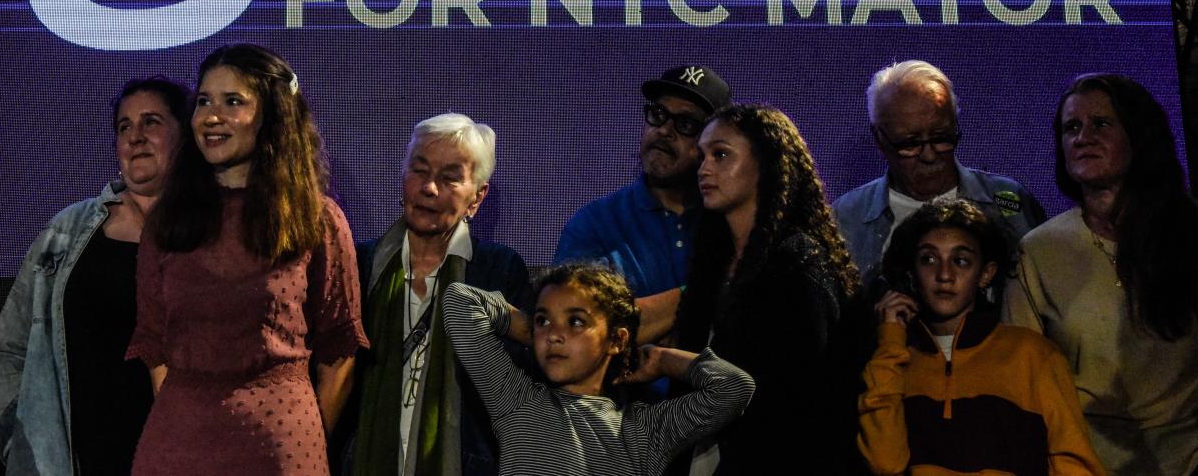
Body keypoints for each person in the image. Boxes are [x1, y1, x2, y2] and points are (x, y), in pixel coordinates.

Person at [127, 44, 368, 475]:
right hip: (176, 443)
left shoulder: (317, 219)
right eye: (204, 101)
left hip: (280, 442)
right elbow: (156, 344)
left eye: (233, 101)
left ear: (271, 116)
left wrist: (304, 437)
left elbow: (338, 354)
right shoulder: (168, 221)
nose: (211, 116)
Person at [0, 76, 190, 476]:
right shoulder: (67, 230)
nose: (135, 137)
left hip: (177, 453)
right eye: (124, 127)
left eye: (151, 122)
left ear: (184, 136)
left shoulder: (211, 234)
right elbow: (9, 348)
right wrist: (20, 438)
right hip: (69, 460)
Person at [1005, 74, 1198, 475]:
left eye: (1101, 124)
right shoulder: (1039, 250)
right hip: (1080, 463)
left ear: (1138, 135)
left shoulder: (1195, 230)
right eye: (1071, 128)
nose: (1083, 137)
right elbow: (1020, 376)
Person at [673, 103, 866, 474]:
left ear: (766, 163)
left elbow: (800, 400)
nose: (704, 168)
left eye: (721, 154)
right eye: (702, 156)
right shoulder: (713, 265)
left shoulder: (797, 264)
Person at [859, 198, 1105, 475]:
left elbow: (1074, 464)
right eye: (928, 259)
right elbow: (883, 463)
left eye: (961, 261)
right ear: (911, 273)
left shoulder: (1032, 354)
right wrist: (890, 342)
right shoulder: (894, 361)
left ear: (986, 274)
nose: (944, 275)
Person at [345, 113, 530, 476]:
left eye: (449, 178)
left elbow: (513, 387)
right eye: (419, 171)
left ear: (477, 196)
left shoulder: (499, 270)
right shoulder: (361, 263)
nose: (429, 188)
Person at [440, 264, 755, 475]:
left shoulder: (644, 431)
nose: (555, 334)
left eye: (576, 322)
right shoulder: (517, 402)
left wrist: (660, 359)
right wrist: (532, 332)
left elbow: (734, 387)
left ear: (617, 340)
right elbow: (459, 300)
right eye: (543, 319)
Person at [833, 60, 1045, 283]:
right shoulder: (847, 218)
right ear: (879, 140)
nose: (929, 155)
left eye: (941, 138)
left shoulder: (1008, 200)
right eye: (910, 143)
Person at [554, 65, 730, 323]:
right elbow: (575, 327)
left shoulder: (733, 223)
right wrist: (705, 294)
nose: (664, 130)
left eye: (686, 123)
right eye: (658, 114)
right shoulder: (595, 224)